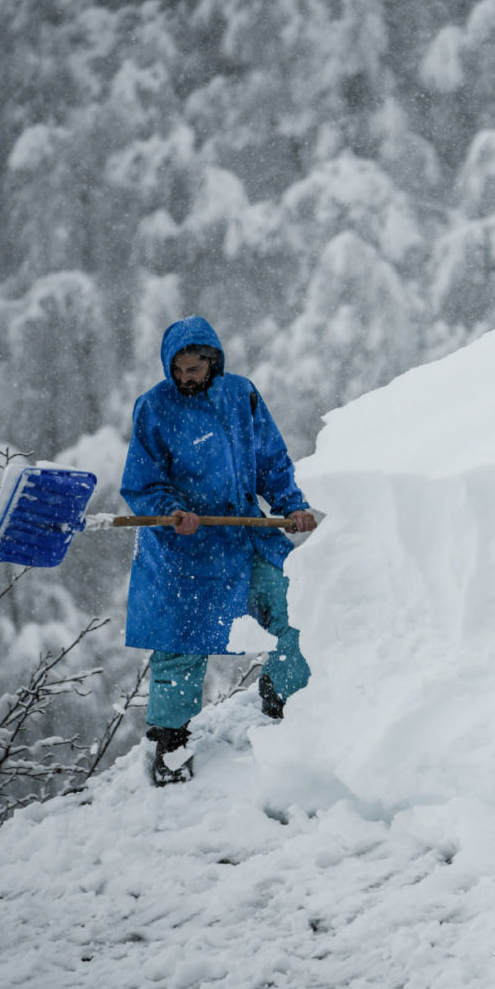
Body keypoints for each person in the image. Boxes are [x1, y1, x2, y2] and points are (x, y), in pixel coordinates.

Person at [121, 316, 317, 785]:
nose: (186, 378)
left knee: (300, 609)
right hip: (183, 550)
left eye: (194, 369)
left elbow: (271, 460)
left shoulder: (241, 395)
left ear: (213, 363)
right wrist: (171, 510)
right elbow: (142, 482)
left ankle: (281, 694)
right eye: (179, 369)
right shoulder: (154, 407)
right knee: (180, 643)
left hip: (245, 536)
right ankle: (170, 745)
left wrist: (292, 505)